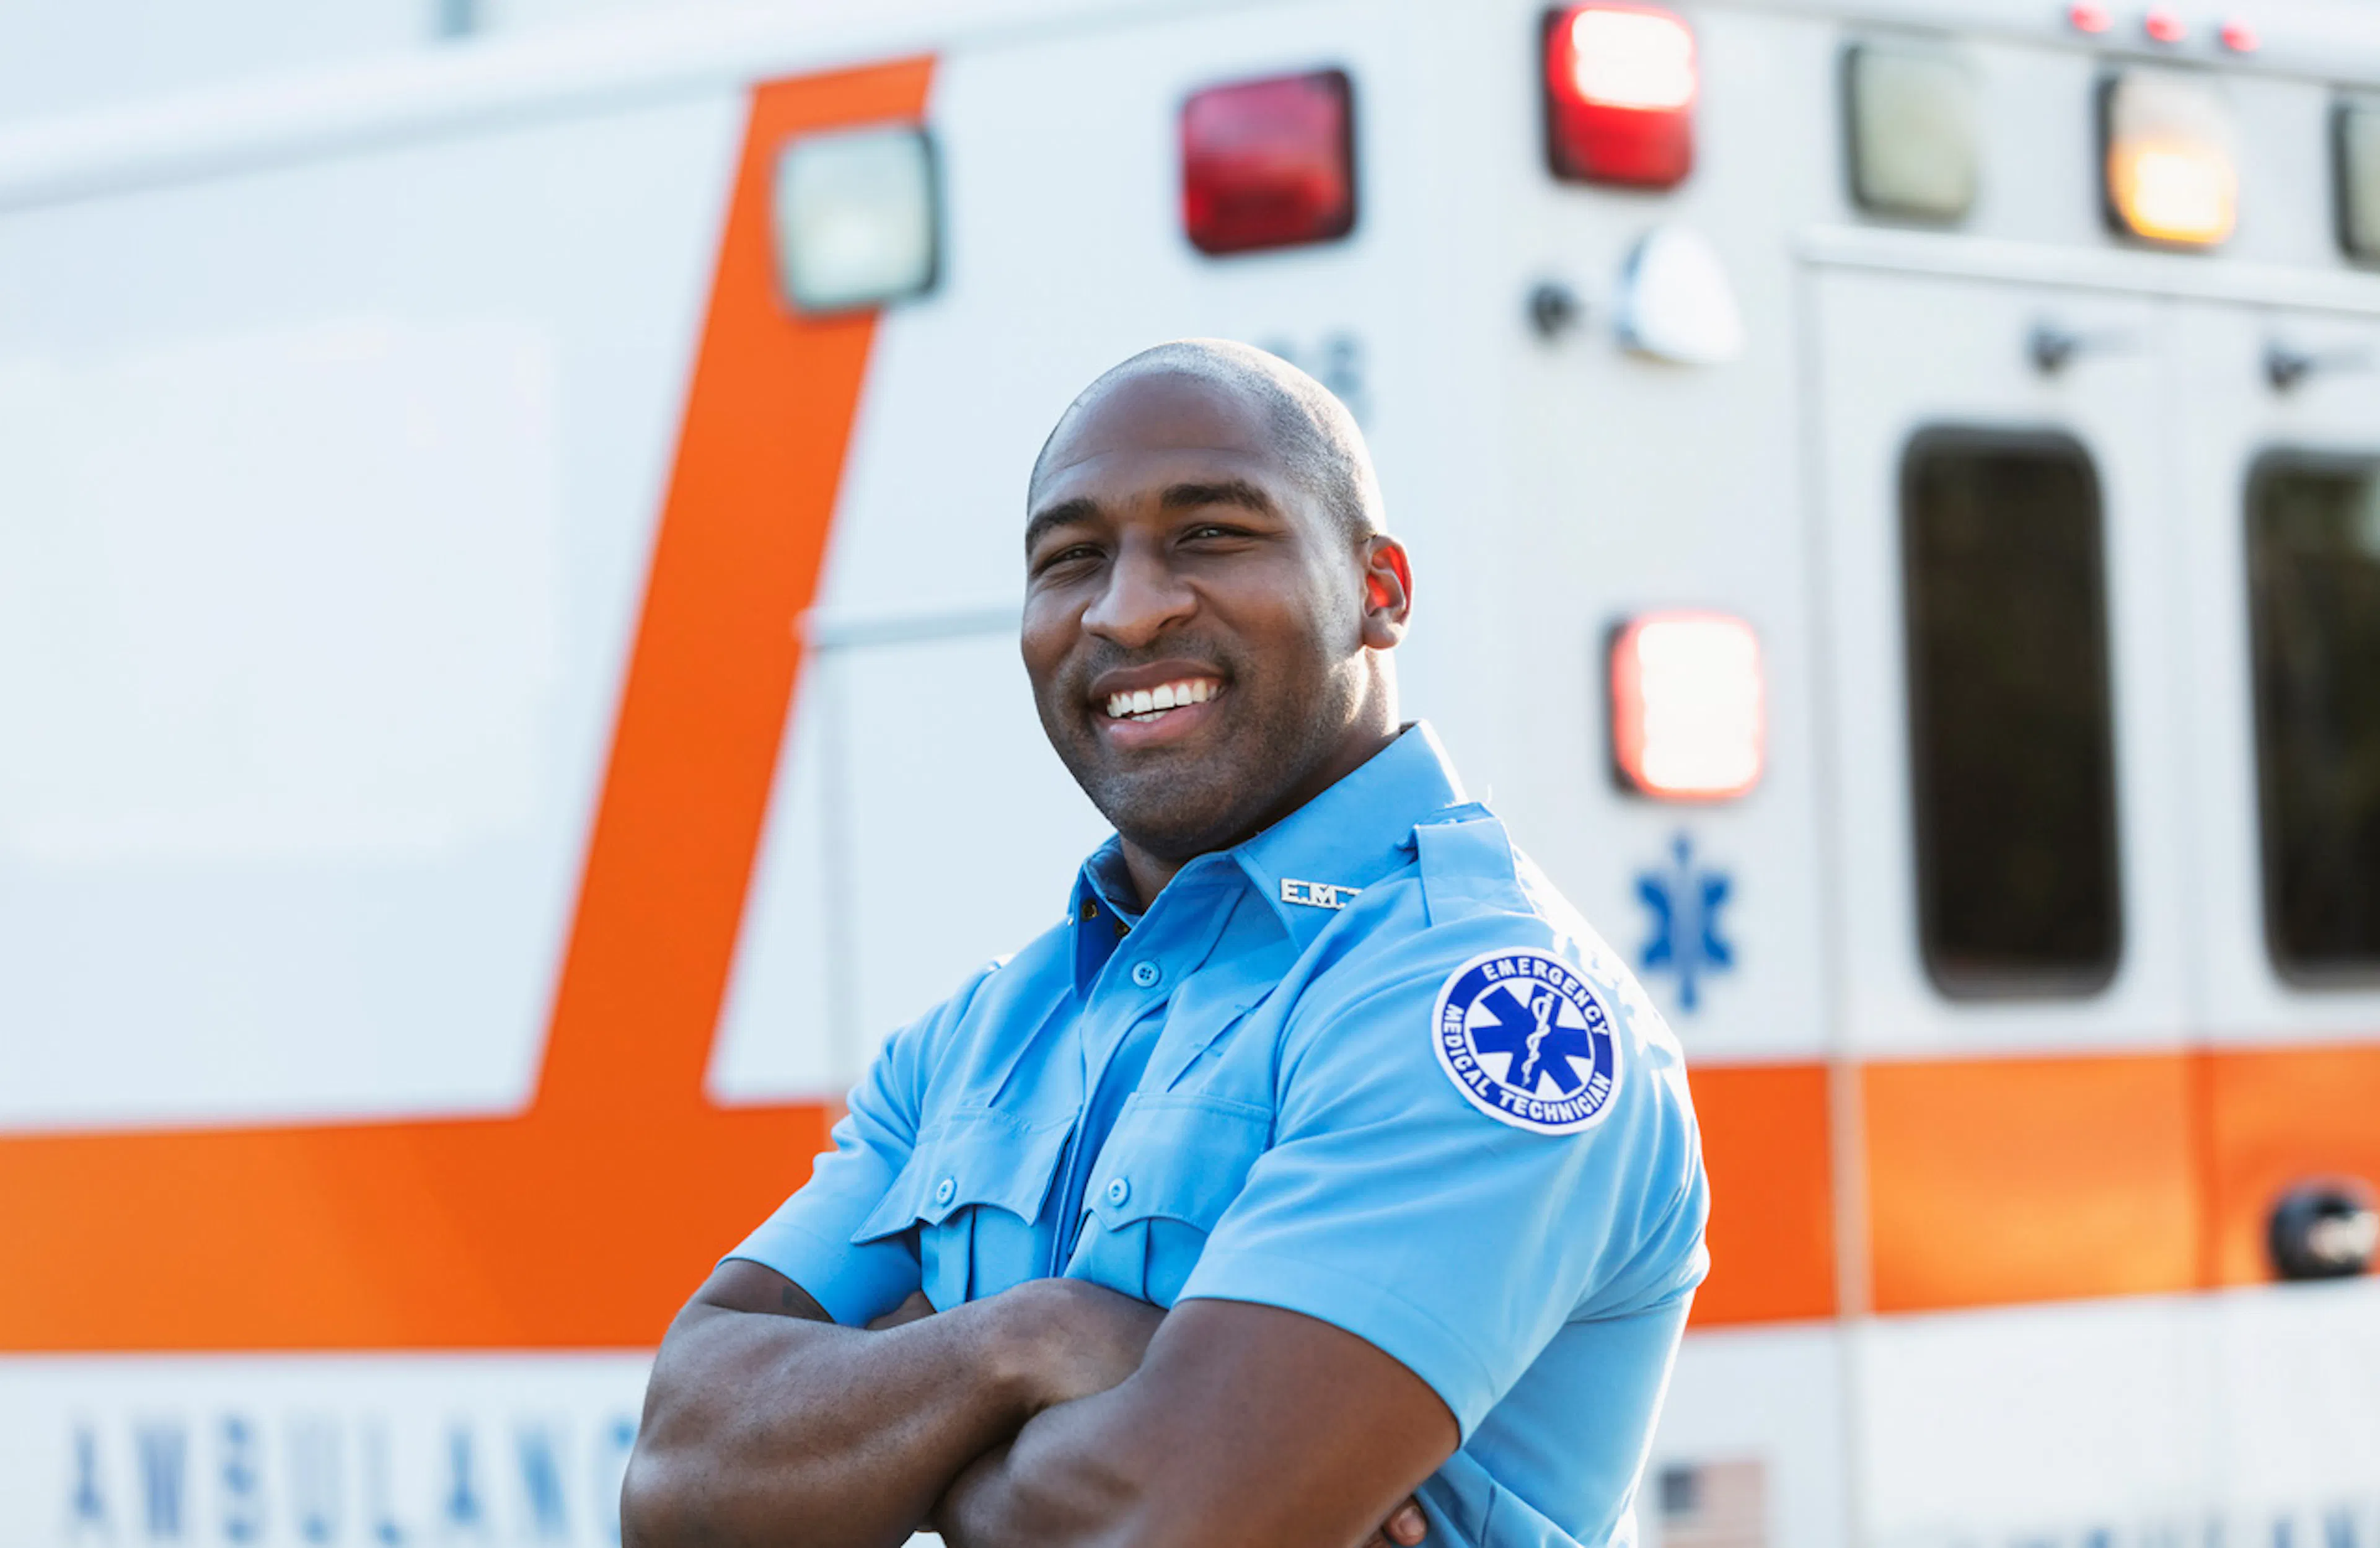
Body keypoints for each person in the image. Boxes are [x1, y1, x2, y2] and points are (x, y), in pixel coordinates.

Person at [620, 340, 1708, 1548]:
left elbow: (1166, 1525)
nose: (1128, 608)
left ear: (1380, 591)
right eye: (1071, 558)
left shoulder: (1484, 1005)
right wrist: (1030, 1337)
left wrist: (891, 1442)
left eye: (1211, 535)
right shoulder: (976, 1038)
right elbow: (681, 1484)